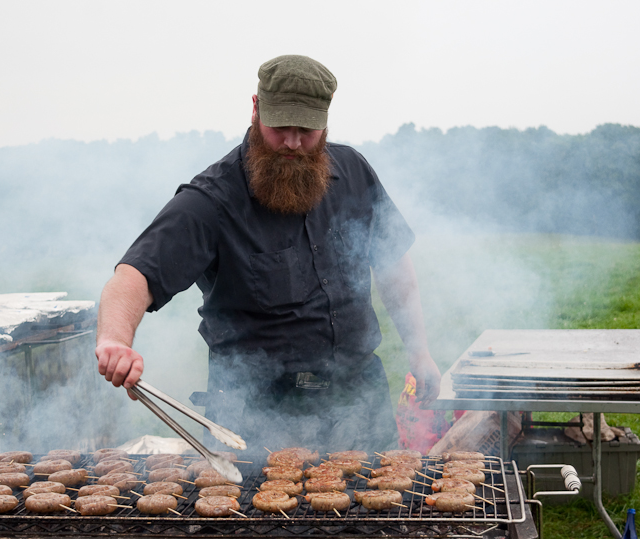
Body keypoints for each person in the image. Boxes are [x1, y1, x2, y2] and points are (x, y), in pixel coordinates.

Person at [95, 55, 441, 457]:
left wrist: (419, 352)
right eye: (281, 128)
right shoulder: (213, 199)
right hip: (257, 419)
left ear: (325, 122)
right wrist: (115, 341)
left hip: (358, 401)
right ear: (256, 108)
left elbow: (393, 266)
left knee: (373, 515)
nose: (293, 142)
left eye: (306, 130)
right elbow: (133, 276)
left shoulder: (355, 172)